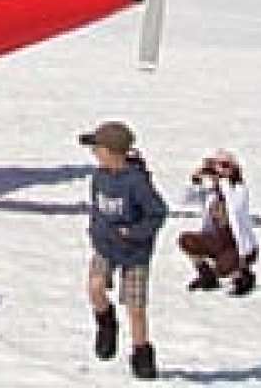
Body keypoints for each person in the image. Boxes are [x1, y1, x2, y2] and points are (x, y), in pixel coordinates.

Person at [80, 121, 166, 381]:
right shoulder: (99, 177)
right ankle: (106, 324)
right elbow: (97, 208)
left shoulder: (137, 182)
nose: (95, 154)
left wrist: (135, 233)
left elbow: (157, 213)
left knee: (135, 306)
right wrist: (96, 230)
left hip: (134, 252)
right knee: (94, 287)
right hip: (105, 245)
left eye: (99, 149)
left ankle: (141, 352)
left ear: (114, 152)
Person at [178, 148, 259, 296]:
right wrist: (196, 180)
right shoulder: (210, 193)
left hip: (239, 245)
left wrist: (221, 182)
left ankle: (244, 276)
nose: (220, 170)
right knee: (186, 240)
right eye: (217, 165)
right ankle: (206, 275)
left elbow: (235, 208)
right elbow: (184, 200)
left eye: (225, 166)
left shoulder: (239, 189)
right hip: (217, 240)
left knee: (223, 269)